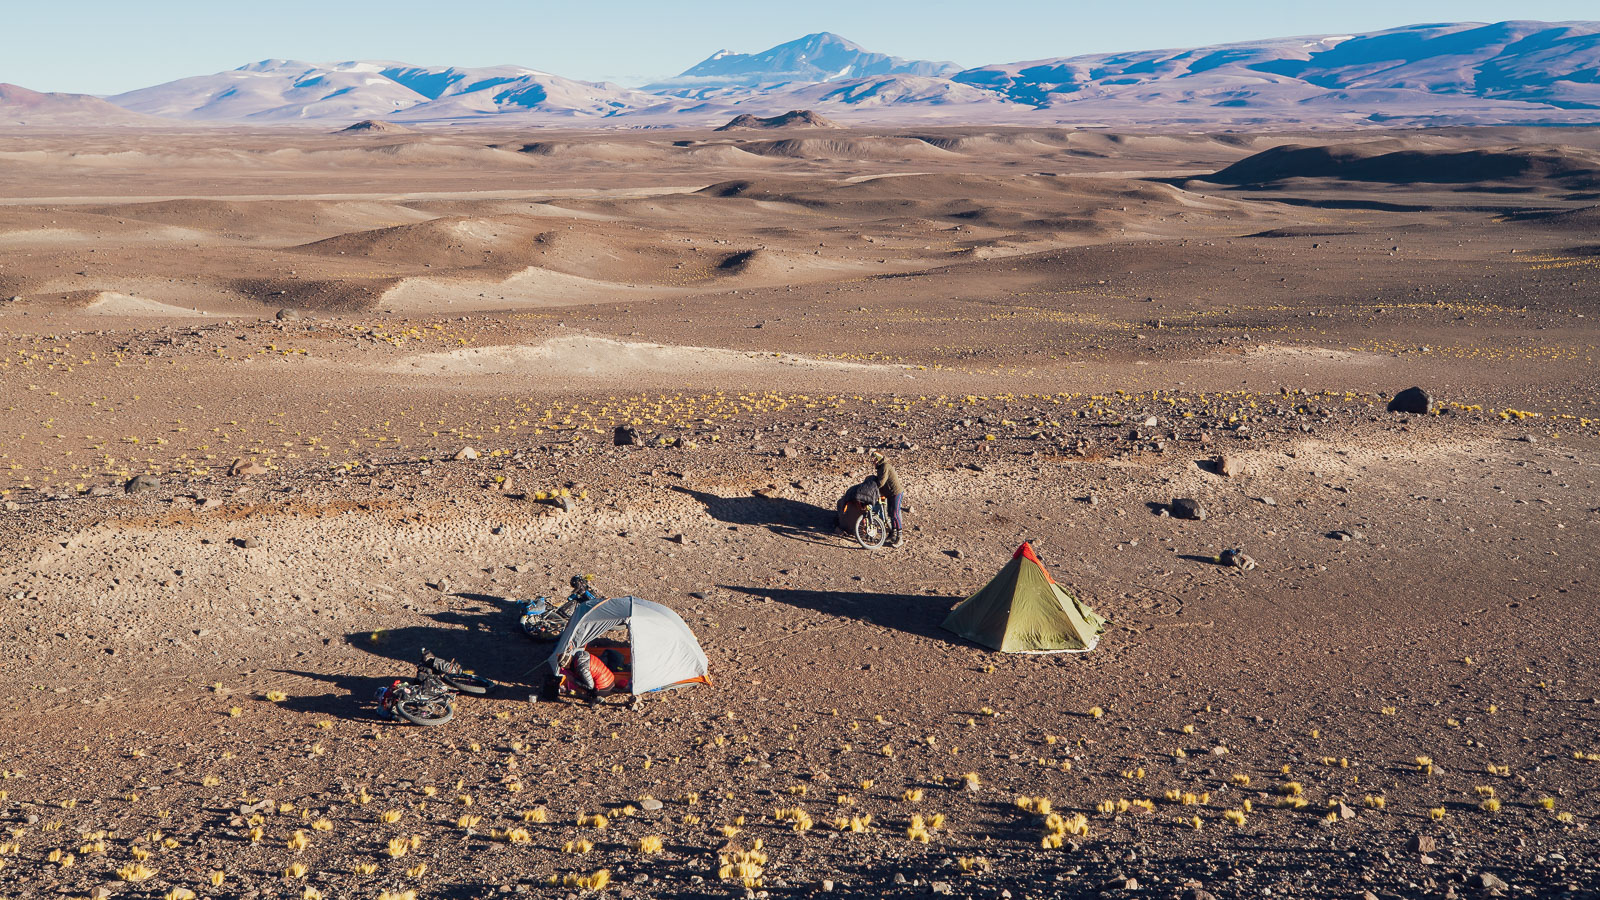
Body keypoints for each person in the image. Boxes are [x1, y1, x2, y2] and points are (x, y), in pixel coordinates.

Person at [870, 450, 906, 547]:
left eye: (874, 459)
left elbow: (881, 482)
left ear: (878, 458)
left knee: (895, 514)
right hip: (889, 494)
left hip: (895, 493)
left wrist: (872, 486)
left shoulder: (885, 466)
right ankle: (892, 534)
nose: (872, 461)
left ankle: (900, 538)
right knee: (890, 513)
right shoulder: (880, 467)